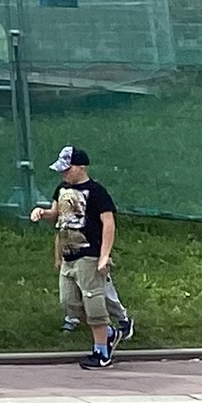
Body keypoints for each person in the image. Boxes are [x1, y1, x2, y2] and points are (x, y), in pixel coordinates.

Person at [29, 146, 131, 367]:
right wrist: (43, 213)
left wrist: (104, 255)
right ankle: (109, 333)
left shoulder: (96, 191)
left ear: (81, 167)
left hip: (89, 254)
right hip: (69, 255)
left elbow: (108, 223)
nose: (63, 174)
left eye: (67, 169)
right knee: (70, 303)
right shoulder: (62, 189)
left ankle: (102, 352)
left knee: (93, 301)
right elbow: (56, 214)